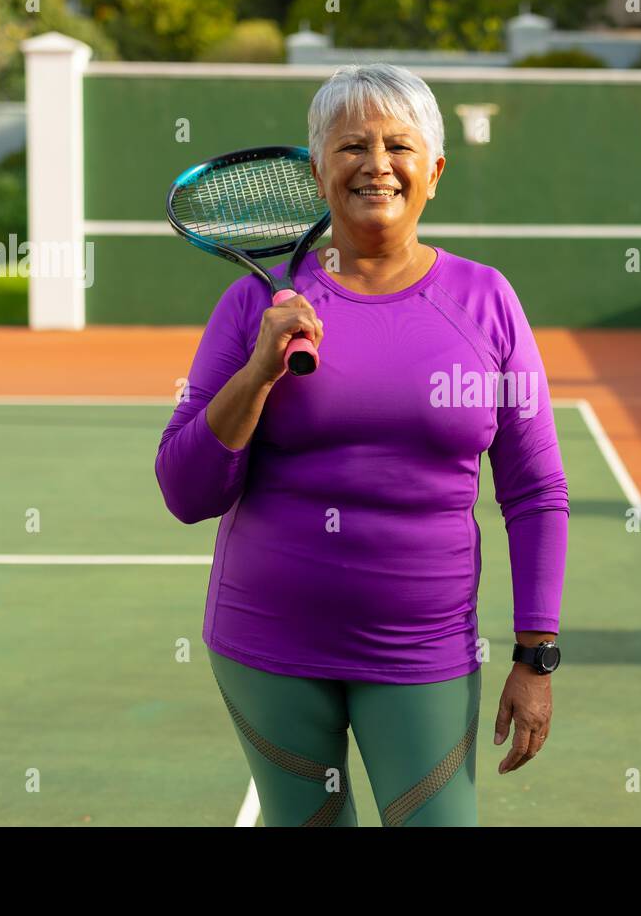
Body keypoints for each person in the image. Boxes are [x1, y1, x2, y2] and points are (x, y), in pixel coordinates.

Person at [154, 63, 569, 826]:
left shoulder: (488, 301)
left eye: (399, 146)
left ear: (433, 172)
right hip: (267, 644)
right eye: (351, 146)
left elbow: (536, 489)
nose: (377, 164)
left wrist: (535, 655)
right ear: (318, 172)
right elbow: (185, 492)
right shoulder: (253, 303)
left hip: (424, 650)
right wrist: (257, 373)